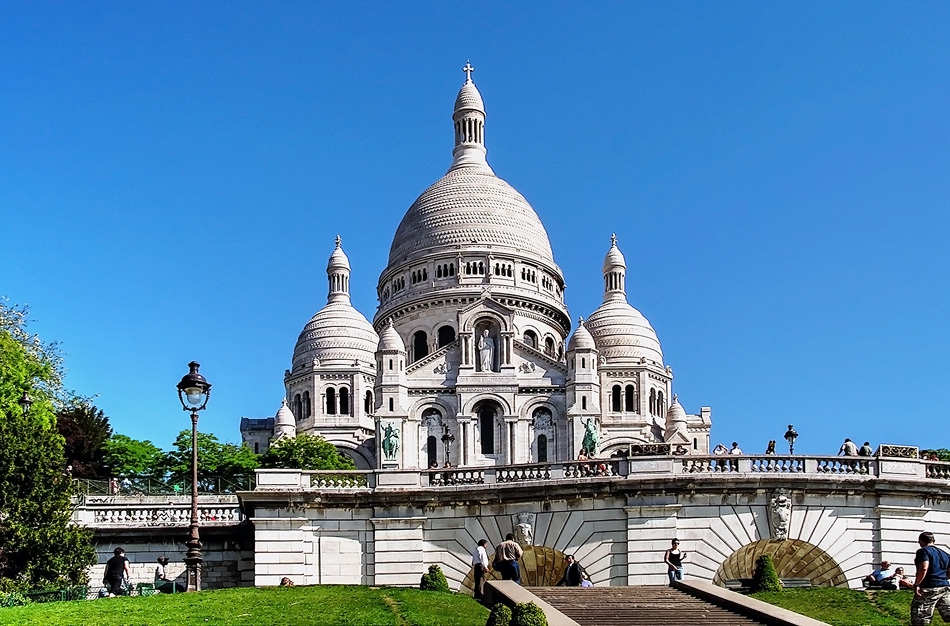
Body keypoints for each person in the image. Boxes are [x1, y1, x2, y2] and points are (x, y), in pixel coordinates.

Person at [911, 531, 950, 625]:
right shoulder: (945, 554)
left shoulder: (923, 551)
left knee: (920, 618)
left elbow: (924, 568)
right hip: (944, 587)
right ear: (934, 541)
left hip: (928, 587)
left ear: (920, 541)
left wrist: (917, 584)